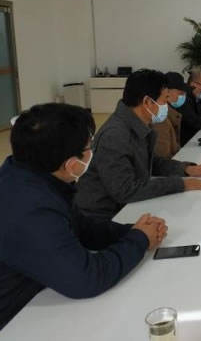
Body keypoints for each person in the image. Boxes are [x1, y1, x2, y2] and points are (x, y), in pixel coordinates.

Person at [0, 103, 168, 329]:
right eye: (89, 147)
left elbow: (79, 225)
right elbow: (86, 279)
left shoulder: (29, 174)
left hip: (37, 291)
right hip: (14, 319)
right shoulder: (30, 207)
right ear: (70, 164)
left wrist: (131, 231)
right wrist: (140, 240)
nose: (92, 153)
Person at [75, 69, 201, 219]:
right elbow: (125, 190)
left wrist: (186, 169)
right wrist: (181, 184)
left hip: (124, 207)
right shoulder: (115, 135)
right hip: (102, 216)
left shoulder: (136, 124)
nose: (167, 105)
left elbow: (152, 161)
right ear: (147, 102)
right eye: (164, 100)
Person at [152, 72, 188, 159]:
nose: (183, 96)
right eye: (180, 93)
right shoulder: (160, 119)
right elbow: (163, 158)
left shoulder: (171, 112)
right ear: (167, 92)